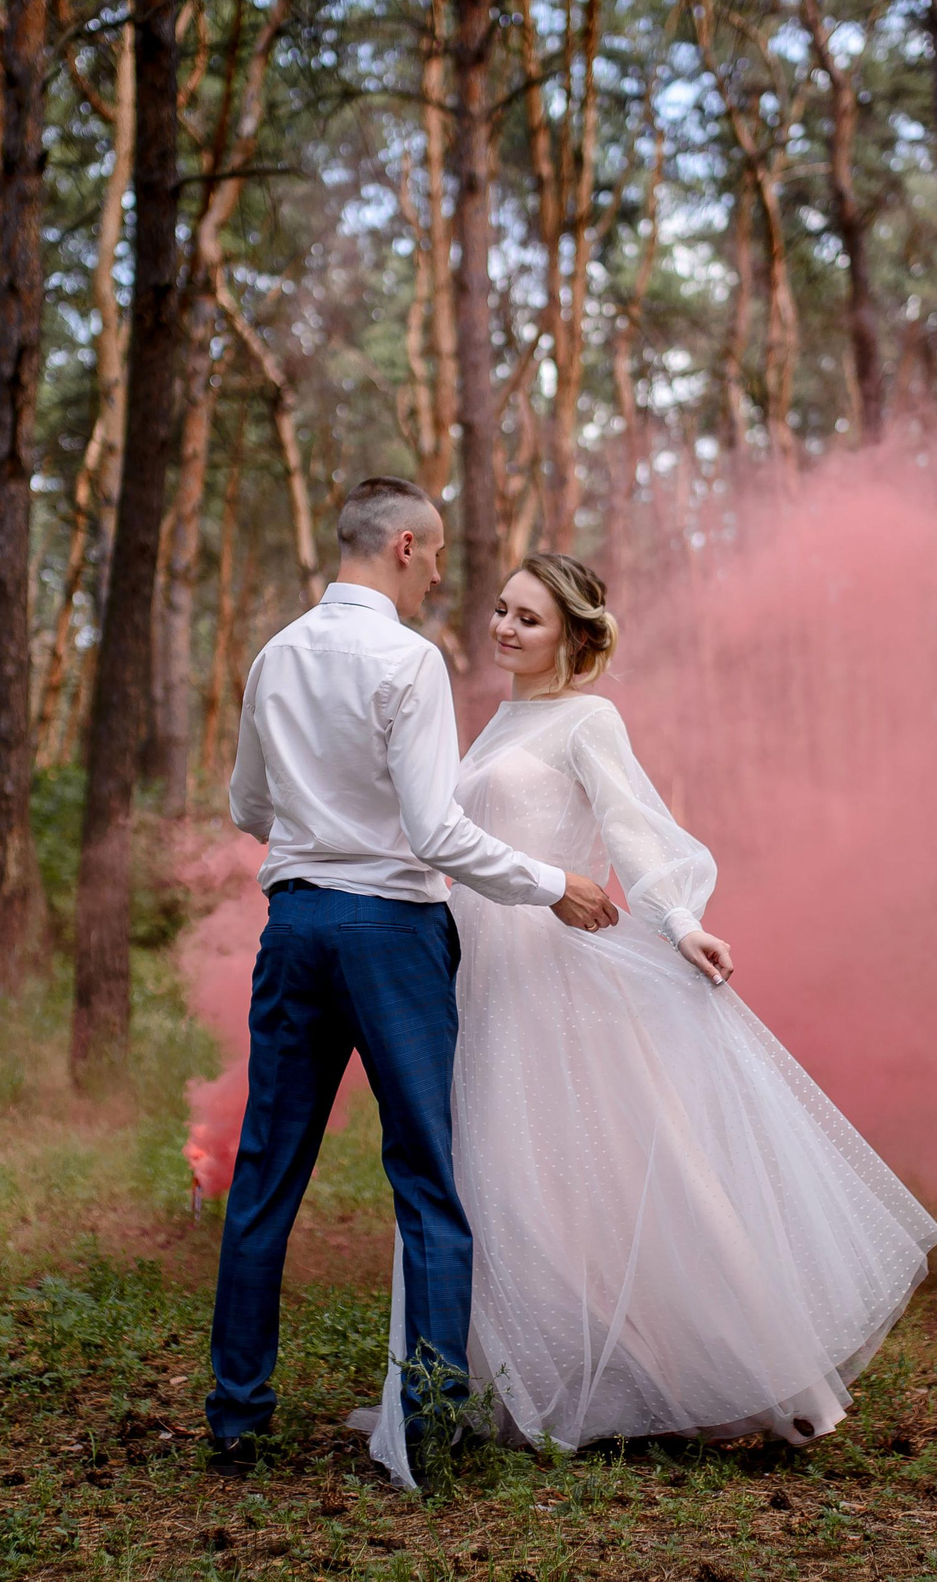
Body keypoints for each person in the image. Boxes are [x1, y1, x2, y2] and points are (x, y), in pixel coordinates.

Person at [356, 551, 937, 1492]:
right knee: (506, 1176)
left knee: (634, 1172)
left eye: (528, 618)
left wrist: (679, 920)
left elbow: (633, 827)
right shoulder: (499, 718)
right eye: (502, 609)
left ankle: (772, 1378)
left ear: (574, 636)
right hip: (481, 971)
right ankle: (515, 1380)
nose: (503, 627)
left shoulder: (589, 718)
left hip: (554, 971)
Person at [207, 479, 623, 1477]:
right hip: (392, 932)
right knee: (429, 1178)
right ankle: (431, 1426)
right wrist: (552, 884)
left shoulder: (275, 654)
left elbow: (247, 804)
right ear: (402, 544)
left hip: (295, 926)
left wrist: (319, 834)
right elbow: (436, 832)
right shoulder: (408, 659)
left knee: (264, 1177)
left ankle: (235, 1417)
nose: (439, 573)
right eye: (434, 555)